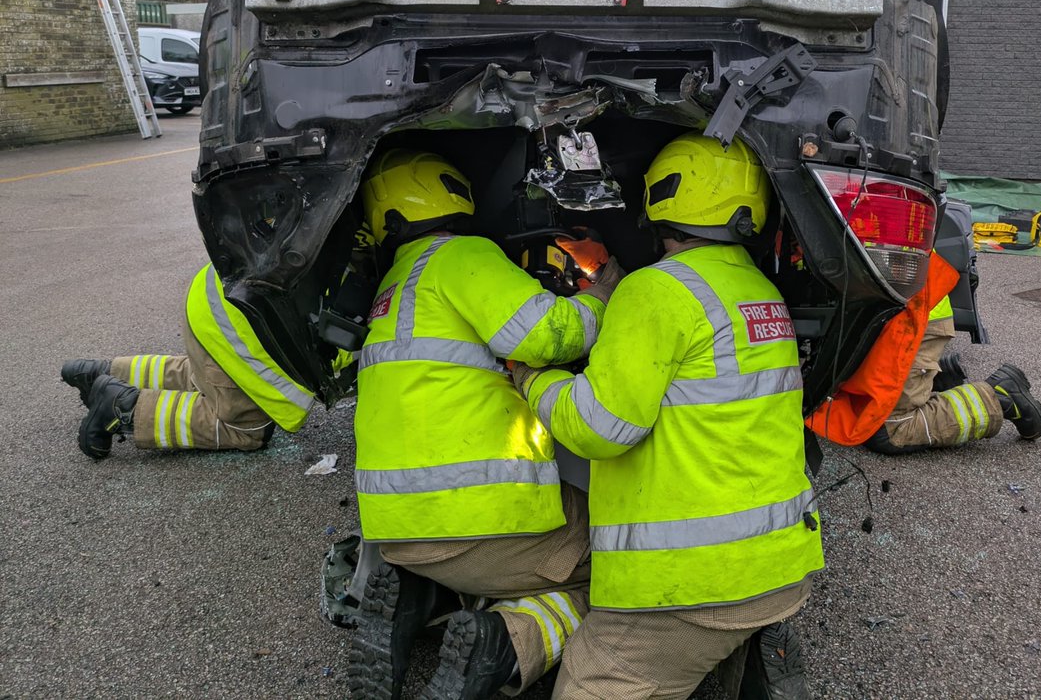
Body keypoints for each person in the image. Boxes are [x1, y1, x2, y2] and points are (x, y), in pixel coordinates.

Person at [498, 133, 823, 700]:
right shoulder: (758, 290)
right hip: (777, 566)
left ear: (661, 202)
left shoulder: (656, 292)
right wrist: (611, 281)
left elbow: (600, 427)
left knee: (589, 684)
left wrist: (532, 378)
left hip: (696, 585)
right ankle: (746, 648)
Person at [349, 148, 622, 700]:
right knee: (627, 560)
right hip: (478, 522)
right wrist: (603, 293)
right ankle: (506, 641)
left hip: (397, 532)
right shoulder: (462, 256)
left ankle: (421, 596)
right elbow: (552, 334)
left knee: (481, 560)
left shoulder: (393, 288)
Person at [63, 263, 316, 460]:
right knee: (249, 427)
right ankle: (121, 407)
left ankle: (104, 373)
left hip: (214, 300)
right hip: (244, 326)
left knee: (206, 374)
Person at [862, 296, 1041, 454]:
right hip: (895, 315)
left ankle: (1000, 397)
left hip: (908, 317)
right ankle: (931, 379)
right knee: (853, 409)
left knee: (890, 430)